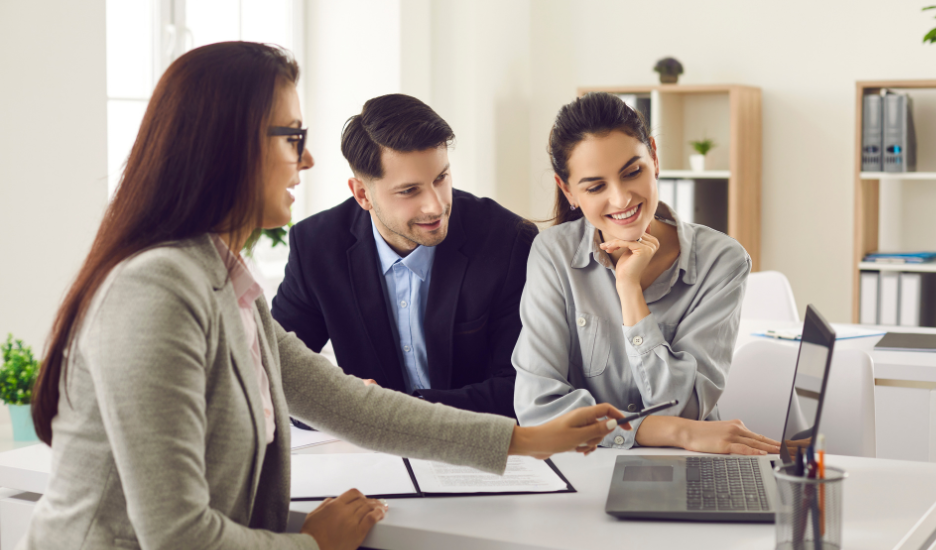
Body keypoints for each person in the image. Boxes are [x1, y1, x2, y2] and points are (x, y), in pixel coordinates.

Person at [21, 43, 628, 550]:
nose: (307, 159)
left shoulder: (220, 279)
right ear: (226, 147)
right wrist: (312, 544)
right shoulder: (155, 289)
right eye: (292, 137)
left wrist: (528, 439)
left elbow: (348, 404)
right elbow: (178, 537)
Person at [513, 92, 780, 455]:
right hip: (585, 466)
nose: (622, 199)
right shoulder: (552, 254)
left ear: (653, 157)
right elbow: (538, 409)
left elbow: (685, 409)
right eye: (596, 186)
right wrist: (669, 431)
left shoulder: (721, 260)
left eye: (632, 172)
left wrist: (629, 291)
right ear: (568, 190)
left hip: (687, 464)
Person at [271, 94, 535, 417]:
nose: (436, 206)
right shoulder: (316, 247)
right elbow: (274, 374)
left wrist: (394, 413)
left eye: (441, 178)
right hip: (365, 446)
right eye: (409, 191)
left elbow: (522, 388)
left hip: (480, 442)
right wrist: (343, 402)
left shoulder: (507, 240)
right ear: (362, 194)